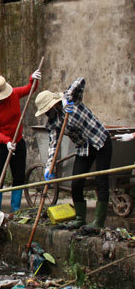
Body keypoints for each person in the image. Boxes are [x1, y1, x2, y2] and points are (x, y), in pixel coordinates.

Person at [35, 77, 112, 229]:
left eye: (48, 110)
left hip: (100, 141)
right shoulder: (52, 123)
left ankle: (98, 222)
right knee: (76, 182)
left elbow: (81, 81)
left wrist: (66, 100)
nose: (47, 114)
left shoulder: (71, 100)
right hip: (84, 148)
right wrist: (48, 167)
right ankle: (80, 218)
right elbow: (53, 146)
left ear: (54, 105)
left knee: (101, 181)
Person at [0, 69, 41, 214]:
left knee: (19, 175)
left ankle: (16, 209)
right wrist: (7, 142)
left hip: (18, 141)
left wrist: (32, 79)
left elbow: (30, 89)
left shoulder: (13, 94)